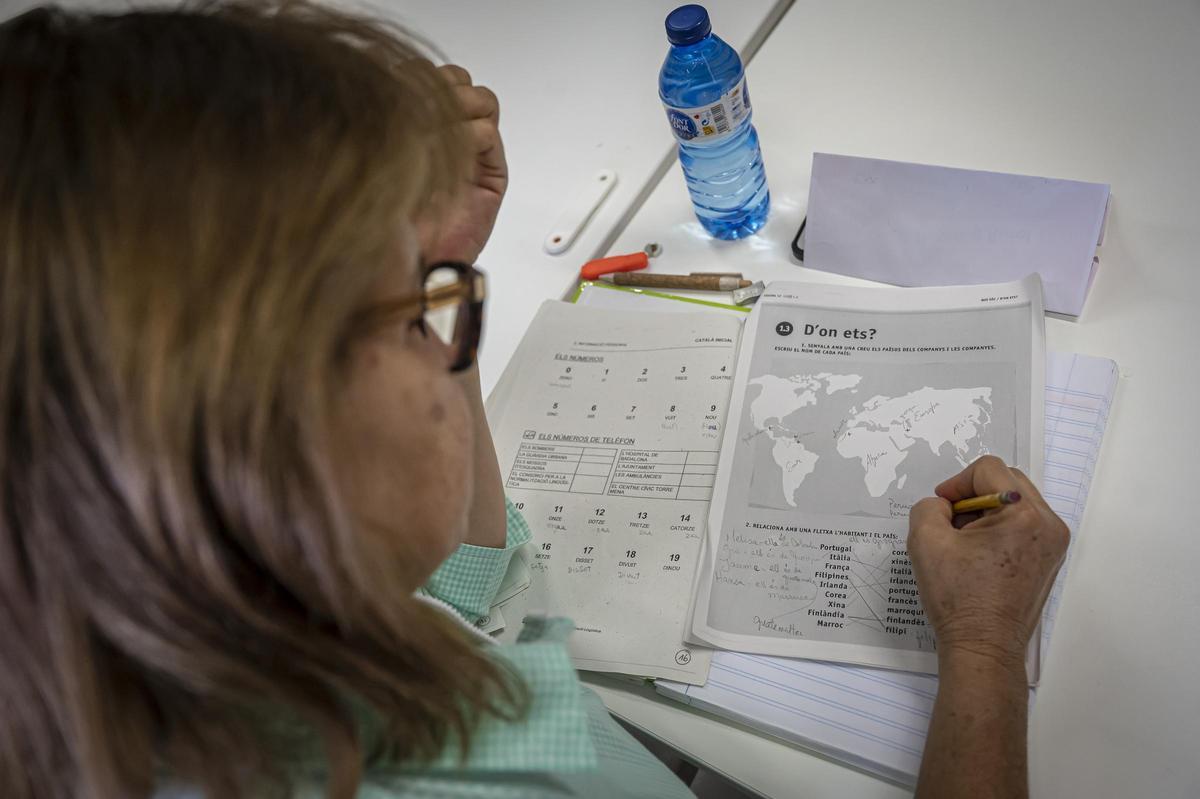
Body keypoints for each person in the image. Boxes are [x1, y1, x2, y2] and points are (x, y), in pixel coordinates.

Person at [0, 3, 1070, 798]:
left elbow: (472, 590)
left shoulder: (226, 602)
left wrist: (430, 254)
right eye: (414, 315)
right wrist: (982, 650)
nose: (448, 346)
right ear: (255, 433)